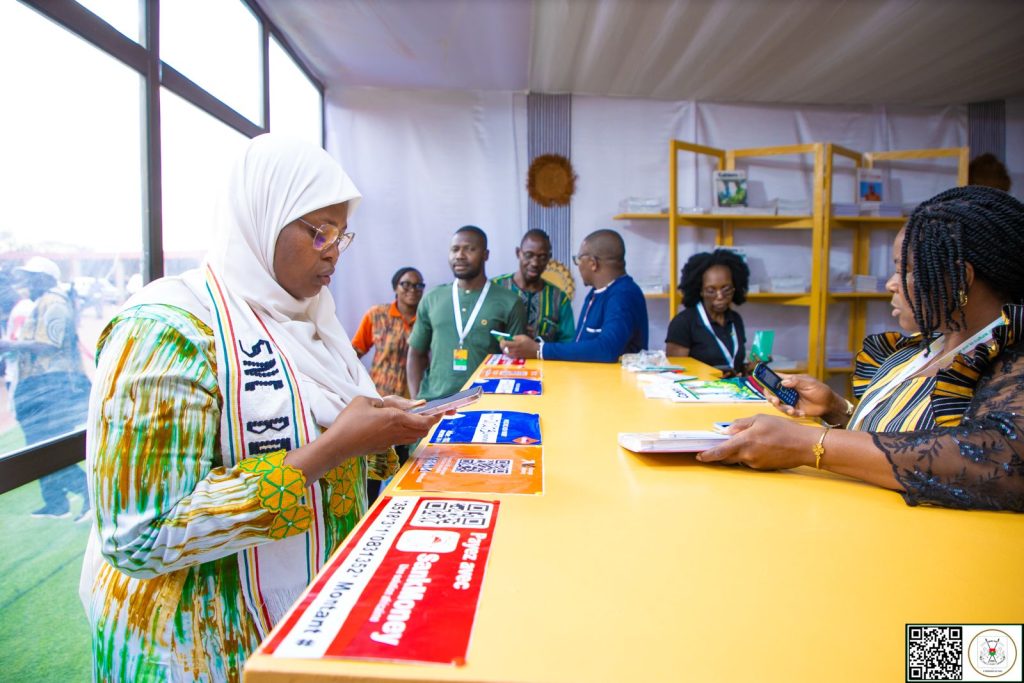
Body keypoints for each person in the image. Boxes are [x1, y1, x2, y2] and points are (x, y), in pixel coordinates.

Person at [78, 134, 444, 682]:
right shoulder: (166, 329)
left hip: (305, 618)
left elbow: (319, 431)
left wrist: (376, 425)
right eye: (319, 231)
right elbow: (139, 536)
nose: (333, 251)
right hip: (198, 647)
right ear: (260, 218)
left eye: (341, 234)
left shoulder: (311, 320)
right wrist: (331, 449)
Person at [698, 186, 1024, 512]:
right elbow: (898, 438)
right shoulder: (918, 351)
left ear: (961, 278)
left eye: (906, 270)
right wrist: (836, 409)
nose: (891, 283)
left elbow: (999, 461)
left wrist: (807, 444)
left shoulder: (1010, 361)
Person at [0, 257, 91, 520]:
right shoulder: (45, 302)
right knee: (38, 443)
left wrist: (10, 345)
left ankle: (86, 493)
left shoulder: (54, 303)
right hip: (43, 383)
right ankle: (56, 502)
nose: (27, 283)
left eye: (32, 277)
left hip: (52, 384)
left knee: (44, 446)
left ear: (46, 278)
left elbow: (49, 344)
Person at [406, 226, 526, 400]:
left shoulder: (510, 302)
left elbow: (517, 362)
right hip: (434, 403)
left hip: (486, 403)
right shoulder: (432, 298)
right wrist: (416, 402)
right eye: (455, 249)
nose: (460, 255)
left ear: (485, 255)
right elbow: (416, 354)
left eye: (469, 249)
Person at [502, 229, 647, 362]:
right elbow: (578, 345)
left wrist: (539, 350)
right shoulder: (596, 293)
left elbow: (607, 348)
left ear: (592, 263)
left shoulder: (623, 295)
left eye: (578, 260)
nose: (578, 266)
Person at [666, 249, 751, 376]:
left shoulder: (735, 319)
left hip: (734, 387)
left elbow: (736, 364)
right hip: (700, 388)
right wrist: (712, 377)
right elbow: (674, 374)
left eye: (726, 289)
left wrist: (748, 368)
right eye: (711, 290)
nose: (720, 296)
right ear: (700, 290)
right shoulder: (683, 323)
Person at [351, 267, 425, 398]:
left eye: (418, 285)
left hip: (418, 396)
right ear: (395, 287)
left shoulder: (427, 318)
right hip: (381, 395)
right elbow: (354, 353)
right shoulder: (377, 315)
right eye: (406, 284)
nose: (413, 289)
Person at [492, 229, 575, 342]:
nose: (535, 263)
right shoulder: (494, 288)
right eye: (528, 255)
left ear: (549, 258)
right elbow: (480, 332)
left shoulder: (559, 299)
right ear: (518, 253)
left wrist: (539, 343)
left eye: (542, 257)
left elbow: (568, 343)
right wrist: (511, 333)